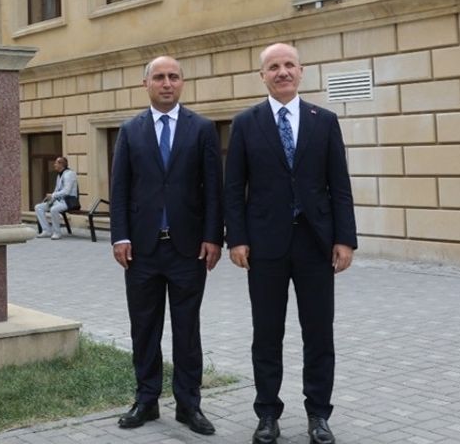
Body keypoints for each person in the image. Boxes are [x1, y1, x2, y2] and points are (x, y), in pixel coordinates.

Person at [224, 43, 357, 444]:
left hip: (316, 245)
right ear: (262, 76)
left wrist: (344, 239)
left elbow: (340, 186)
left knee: (319, 333)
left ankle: (318, 414)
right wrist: (237, 239)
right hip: (264, 246)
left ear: (301, 72)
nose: (282, 72)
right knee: (266, 334)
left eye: (288, 66)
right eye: (273, 67)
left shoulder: (324, 120)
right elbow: (234, 188)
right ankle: (267, 415)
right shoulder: (246, 122)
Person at [109, 55, 222, 433]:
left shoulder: (202, 129)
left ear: (182, 83)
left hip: (188, 250)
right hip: (141, 251)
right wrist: (120, 236)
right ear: (147, 84)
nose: (167, 82)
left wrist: (213, 237)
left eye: (174, 76)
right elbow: (120, 189)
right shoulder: (130, 130)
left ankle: (189, 406)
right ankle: (146, 400)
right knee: (144, 328)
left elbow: (213, 190)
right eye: (159, 77)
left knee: (187, 330)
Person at [34, 156, 78, 240]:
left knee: (54, 209)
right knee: (38, 207)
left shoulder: (69, 174)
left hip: (68, 201)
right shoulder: (59, 175)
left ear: (61, 164)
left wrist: (53, 195)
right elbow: (57, 190)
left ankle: (57, 232)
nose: (54, 165)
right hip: (58, 201)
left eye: (56, 163)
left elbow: (67, 191)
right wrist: (50, 198)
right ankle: (46, 230)